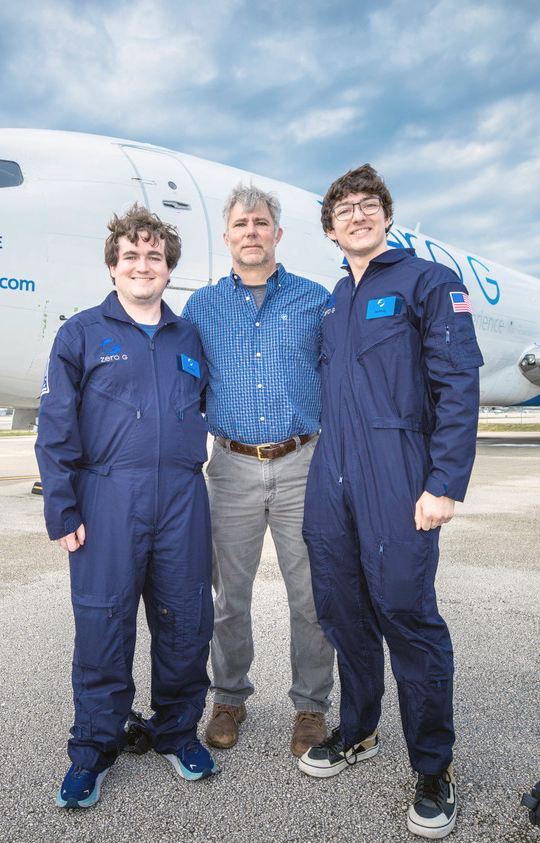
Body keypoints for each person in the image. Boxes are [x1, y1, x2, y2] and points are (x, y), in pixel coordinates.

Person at [298, 165, 482, 840]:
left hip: (398, 471)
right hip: (332, 471)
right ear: (329, 227)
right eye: (344, 208)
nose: (356, 215)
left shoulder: (428, 283)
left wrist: (444, 484)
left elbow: (459, 385)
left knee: (406, 610)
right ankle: (360, 728)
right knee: (341, 608)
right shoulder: (329, 304)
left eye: (368, 205)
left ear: (386, 217)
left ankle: (435, 766)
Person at [35, 204, 217, 810]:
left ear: (169, 270)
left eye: (155, 257)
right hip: (108, 497)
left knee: (185, 621)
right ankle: (92, 749)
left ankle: (177, 732)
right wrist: (63, 509)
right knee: (102, 625)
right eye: (132, 256)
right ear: (113, 266)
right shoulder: (80, 334)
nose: (144, 265)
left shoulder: (189, 337)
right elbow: (55, 427)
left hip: (183, 499)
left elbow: (209, 406)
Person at [182, 184, 336, 757]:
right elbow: (183, 383)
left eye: (261, 222)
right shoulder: (201, 307)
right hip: (230, 466)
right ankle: (228, 698)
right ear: (227, 237)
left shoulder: (315, 300)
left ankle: (311, 708)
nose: (252, 231)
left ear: (277, 234)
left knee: (311, 596)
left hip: (302, 463)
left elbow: (339, 376)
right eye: (242, 223)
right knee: (229, 597)